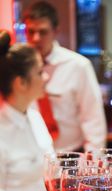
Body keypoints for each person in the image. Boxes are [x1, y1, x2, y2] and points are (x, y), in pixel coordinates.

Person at [23, 1, 107, 152]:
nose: (36, 38)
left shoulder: (78, 66)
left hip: (71, 154)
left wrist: (92, 164)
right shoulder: (19, 67)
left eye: (42, 32)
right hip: (32, 156)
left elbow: (93, 119)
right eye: (30, 32)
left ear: (56, 31)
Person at [0, 30, 54, 191]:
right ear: (20, 83)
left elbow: (51, 169)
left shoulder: (34, 117)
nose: (46, 77)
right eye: (39, 72)